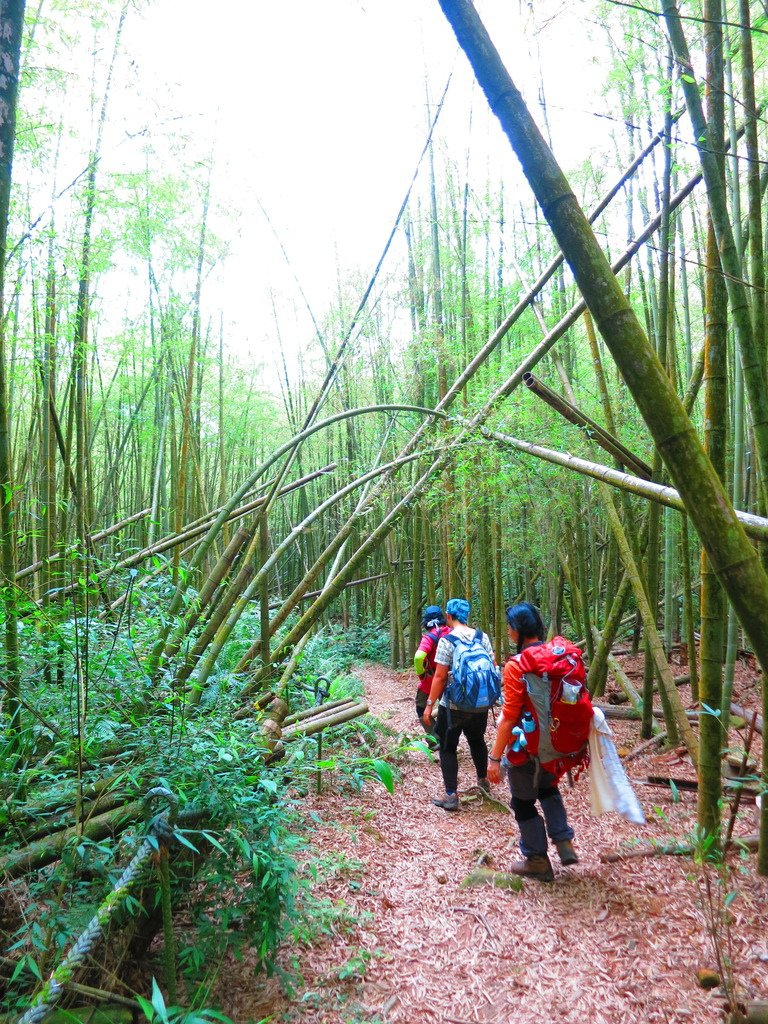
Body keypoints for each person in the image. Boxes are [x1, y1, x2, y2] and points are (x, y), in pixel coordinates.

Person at [487, 602, 578, 881]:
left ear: (516, 631)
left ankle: (537, 860)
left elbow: (509, 716)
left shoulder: (517, 666)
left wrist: (494, 758)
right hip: (554, 743)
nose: (508, 631)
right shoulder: (557, 655)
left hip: (524, 748)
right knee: (548, 788)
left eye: (509, 627)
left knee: (523, 802)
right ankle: (563, 840)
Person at [422, 598, 495, 811]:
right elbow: (492, 666)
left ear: (449, 616)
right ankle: (483, 782)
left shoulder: (448, 640)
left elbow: (440, 677)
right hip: (480, 704)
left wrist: (429, 705)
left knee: (447, 747)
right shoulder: (482, 637)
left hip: (453, 706)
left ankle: (451, 795)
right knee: (477, 740)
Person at [412, 605, 451, 738]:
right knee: (448, 710)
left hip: (433, 679)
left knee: (421, 707)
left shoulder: (430, 637)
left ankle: (435, 739)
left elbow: (418, 657)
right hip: (453, 680)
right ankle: (448, 741)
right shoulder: (452, 632)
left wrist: (421, 674)